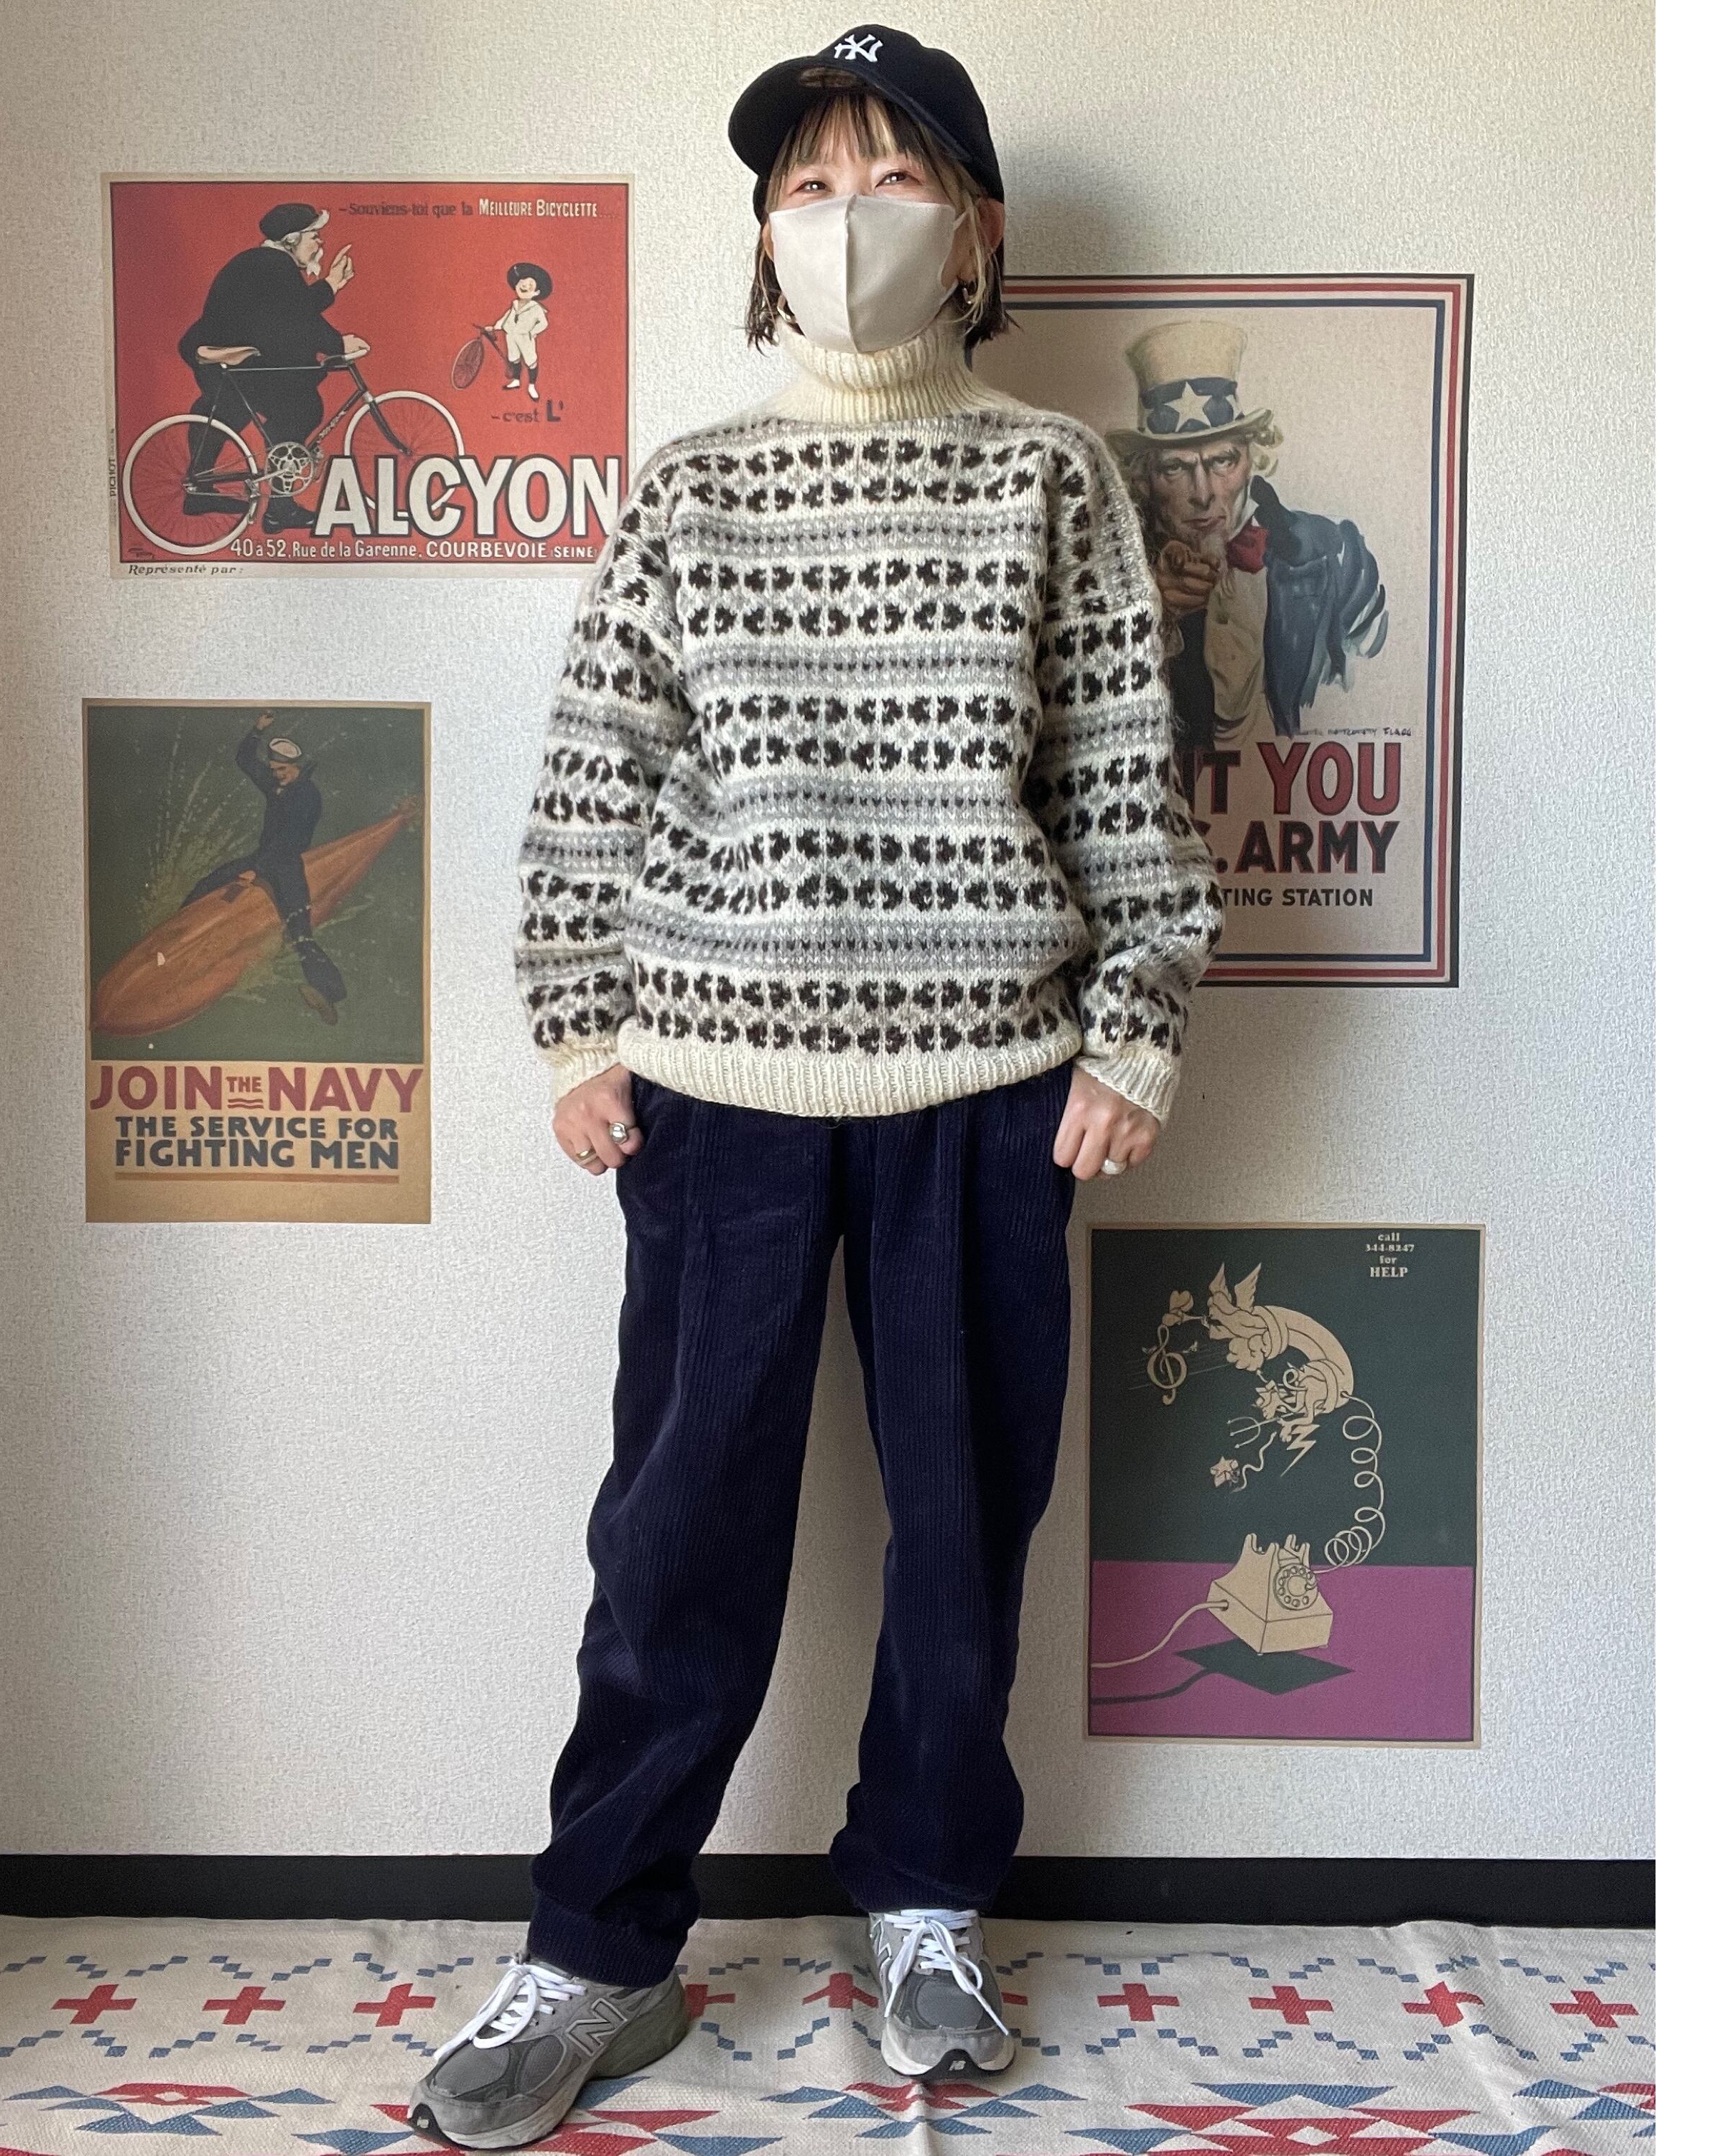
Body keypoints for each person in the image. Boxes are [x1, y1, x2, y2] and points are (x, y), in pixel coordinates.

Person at [411, 26, 1222, 2150]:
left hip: (992, 1089)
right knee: (677, 1537)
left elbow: (1123, 777)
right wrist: (576, 1025)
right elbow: (594, 776)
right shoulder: (689, 485)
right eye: (807, 186)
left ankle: (928, 1904)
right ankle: (599, 1949)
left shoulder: (1056, 481)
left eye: (893, 178)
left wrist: (1137, 1024)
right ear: (763, 235)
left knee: (963, 1528)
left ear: (978, 231)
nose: (848, 220)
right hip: (713, 1093)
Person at [1104, 320, 1387, 752]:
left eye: (1222, 461)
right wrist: (1153, 613)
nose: (1203, 494)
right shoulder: (1114, 581)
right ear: (1143, 479)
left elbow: (1372, 700)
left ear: (1254, 460)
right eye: (1175, 468)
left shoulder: (1336, 554)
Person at [175, 202, 373, 534]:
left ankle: (200, 491)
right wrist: (338, 344)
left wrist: (331, 291)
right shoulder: (274, 265)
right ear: (292, 239)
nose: (320, 242)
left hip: (216, 357)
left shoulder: (262, 262)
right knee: (302, 409)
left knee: (225, 412)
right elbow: (298, 317)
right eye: (314, 235)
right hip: (231, 359)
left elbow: (289, 312)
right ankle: (281, 510)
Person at [182, 712, 347, 1022]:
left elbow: (289, 841)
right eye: (274, 770)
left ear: (297, 767)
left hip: (286, 866)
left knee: (300, 933)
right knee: (208, 883)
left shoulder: (309, 797)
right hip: (262, 858)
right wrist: (258, 729)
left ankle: (328, 993)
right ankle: (177, 934)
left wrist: (257, 871)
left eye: (283, 770)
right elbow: (245, 759)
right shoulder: (275, 784)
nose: (277, 775)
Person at [494, 262, 552, 400]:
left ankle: (532, 386)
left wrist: (533, 332)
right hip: (511, 335)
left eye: (530, 285)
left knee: (530, 360)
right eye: (522, 283)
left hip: (526, 338)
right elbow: (507, 317)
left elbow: (544, 323)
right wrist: (497, 325)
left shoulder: (536, 308)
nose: (525, 287)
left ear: (536, 292)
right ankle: (516, 380)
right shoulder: (515, 304)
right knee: (514, 358)